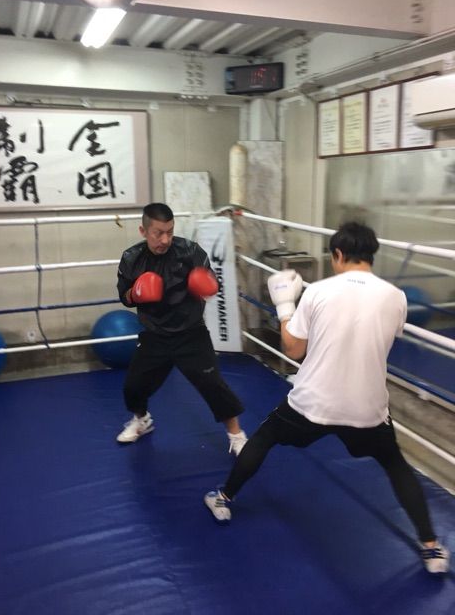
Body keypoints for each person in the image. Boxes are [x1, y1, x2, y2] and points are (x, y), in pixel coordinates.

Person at [204, 221, 450, 574]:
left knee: (264, 438)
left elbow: (293, 349)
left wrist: (285, 306)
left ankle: (223, 498)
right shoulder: (396, 297)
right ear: (371, 255)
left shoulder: (318, 292)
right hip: (366, 408)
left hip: (312, 402)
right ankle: (431, 548)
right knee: (395, 464)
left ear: (337, 254)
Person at [115, 202, 247, 455]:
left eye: (170, 232)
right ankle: (142, 421)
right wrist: (137, 292)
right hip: (154, 335)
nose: (165, 239)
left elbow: (213, 284)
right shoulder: (132, 258)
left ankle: (237, 435)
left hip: (190, 332)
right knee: (133, 386)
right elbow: (125, 297)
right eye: (158, 233)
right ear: (143, 231)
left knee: (213, 385)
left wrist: (207, 284)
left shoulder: (190, 251)